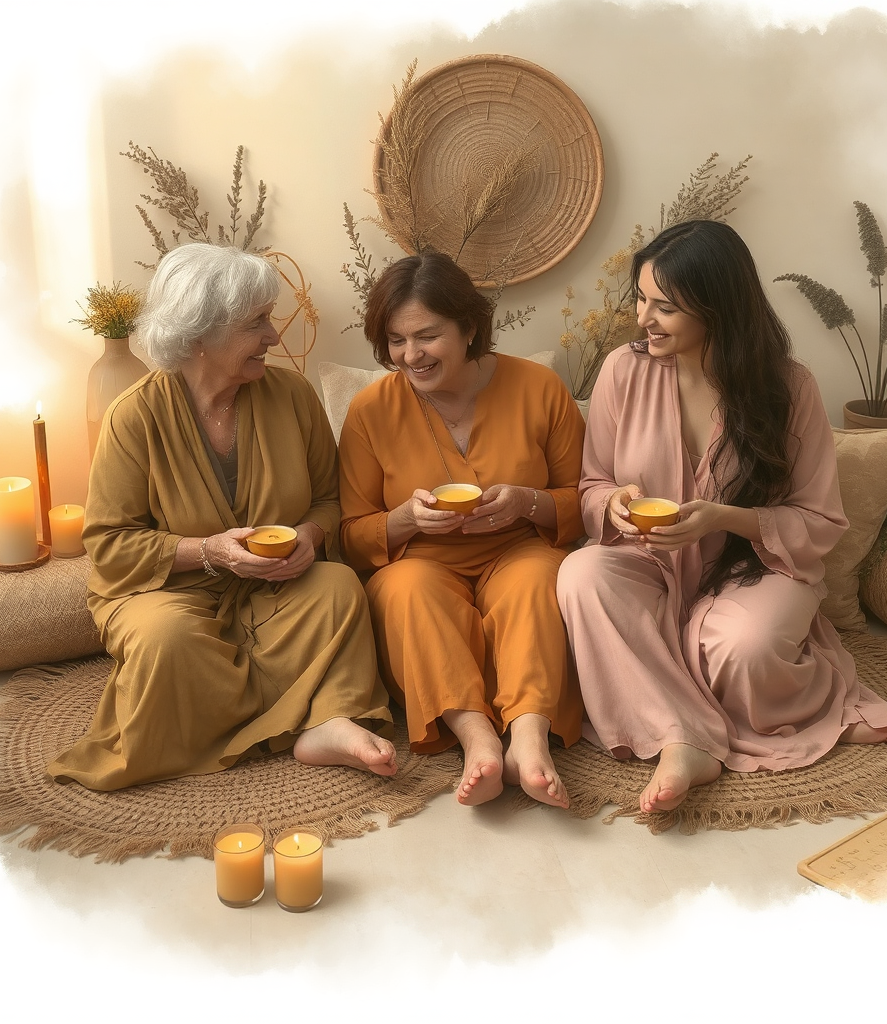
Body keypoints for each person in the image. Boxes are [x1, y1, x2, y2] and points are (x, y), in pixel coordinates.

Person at [556, 220, 887, 815]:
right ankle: (683, 739)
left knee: (743, 648)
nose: (643, 319)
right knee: (581, 575)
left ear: (718, 307)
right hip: (648, 559)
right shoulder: (622, 370)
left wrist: (724, 519)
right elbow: (593, 484)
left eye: (665, 307)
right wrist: (609, 503)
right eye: (641, 298)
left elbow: (817, 518)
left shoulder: (788, 387)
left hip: (754, 565)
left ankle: (795, 695)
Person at [48, 243, 395, 791]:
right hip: (165, 592)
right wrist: (209, 552)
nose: (273, 336)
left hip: (277, 587)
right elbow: (110, 544)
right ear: (200, 335)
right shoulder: (132, 418)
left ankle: (327, 722)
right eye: (257, 322)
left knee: (337, 587)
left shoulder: (293, 396)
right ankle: (282, 712)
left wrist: (308, 536)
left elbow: (330, 499)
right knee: (166, 639)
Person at [338, 252, 586, 808]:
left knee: (535, 586)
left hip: (519, 548)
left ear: (469, 327)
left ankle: (527, 741)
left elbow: (583, 501)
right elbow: (349, 534)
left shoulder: (541, 389)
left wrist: (529, 503)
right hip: (419, 559)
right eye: (396, 341)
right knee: (406, 592)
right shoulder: (370, 410)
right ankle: (477, 742)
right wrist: (404, 518)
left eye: (428, 336)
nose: (410, 355)